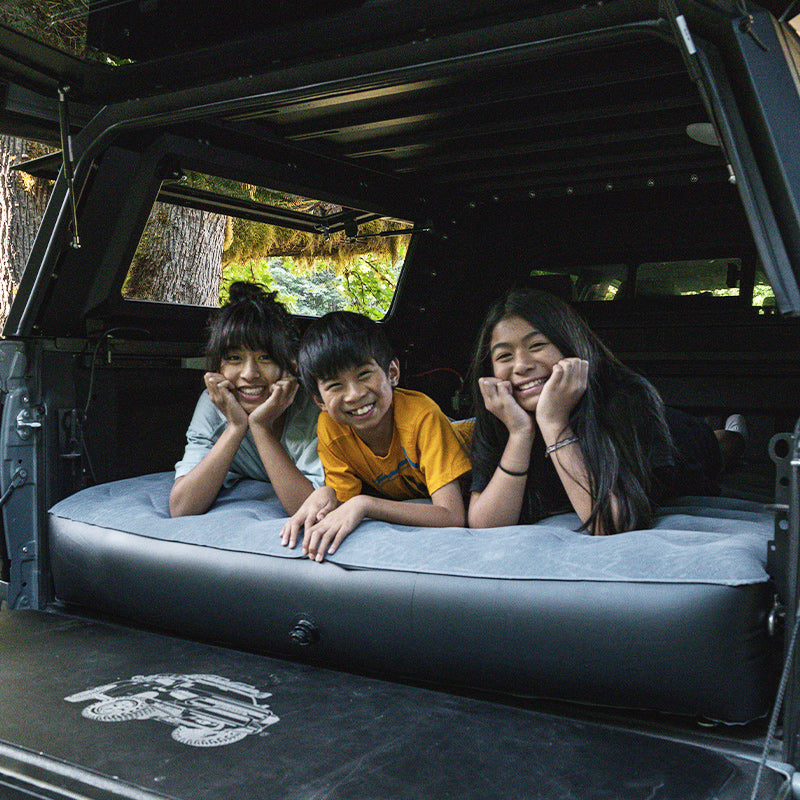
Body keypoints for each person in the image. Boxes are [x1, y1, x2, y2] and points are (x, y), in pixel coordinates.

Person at [468, 288, 744, 535]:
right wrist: (520, 433)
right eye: (504, 356)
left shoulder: (625, 397)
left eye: (537, 346)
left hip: (680, 442)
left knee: (719, 446)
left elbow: (609, 522)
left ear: (570, 347)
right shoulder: (500, 414)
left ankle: (734, 431)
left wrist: (553, 421)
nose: (521, 365)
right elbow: (485, 524)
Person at [280, 310, 471, 561]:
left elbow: (452, 516)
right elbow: (344, 501)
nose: (354, 394)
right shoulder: (330, 427)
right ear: (319, 401)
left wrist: (365, 504)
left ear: (392, 373)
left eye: (363, 375)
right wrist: (324, 495)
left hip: (476, 443)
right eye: (335, 385)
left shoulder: (422, 416)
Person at [169, 282, 323, 517]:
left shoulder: (313, 407)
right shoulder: (216, 402)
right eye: (234, 358)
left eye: (265, 357)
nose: (249, 374)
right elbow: (182, 507)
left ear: (292, 365)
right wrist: (236, 427)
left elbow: (308, 508)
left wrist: (260, 427)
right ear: (218, 366)